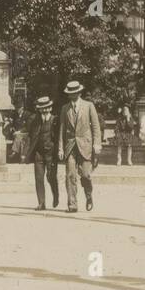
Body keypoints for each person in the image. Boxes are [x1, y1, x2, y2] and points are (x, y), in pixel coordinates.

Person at [58, 79, 101, 213]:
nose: (72, 95)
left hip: (85, 145)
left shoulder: (89, 106)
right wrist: (60, 148)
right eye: (70, 93)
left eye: (74, 93)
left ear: (79, 93)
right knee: (70, 175)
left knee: (86, 175)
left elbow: (95, 127)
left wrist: (97, 144)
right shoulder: (65, 109)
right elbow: (61, 129)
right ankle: (72, 204)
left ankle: (88, 195)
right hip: (70, 145)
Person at [26, 95, 59, 210]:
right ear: (39, 109)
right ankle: (41, 203)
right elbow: (30, 135)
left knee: (51, 177)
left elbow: (58, 138)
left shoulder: (55, 120)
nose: (44, 110)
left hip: (51, 153)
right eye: (42, 108)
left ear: (50, 108)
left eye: (47, 108)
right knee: (39, 178)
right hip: (38, 153)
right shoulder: (34, 120)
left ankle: (55, 194)